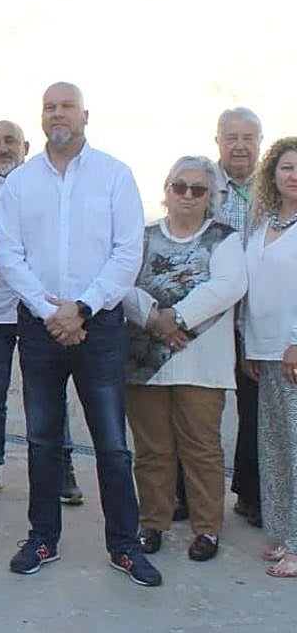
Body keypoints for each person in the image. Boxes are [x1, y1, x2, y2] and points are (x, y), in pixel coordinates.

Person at [0, 82, 161, 587]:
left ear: (85, 115)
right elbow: (8, 254)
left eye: (66, 106)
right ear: (41, 118)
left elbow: (127, 252)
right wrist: (50, 311)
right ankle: (42, 537)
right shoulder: (21, 183)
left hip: (101, 326)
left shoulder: (114, 176)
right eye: (49, 107)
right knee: (43, 439)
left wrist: (82, 308)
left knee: (112, 443)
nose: (57, 114)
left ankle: (125, 546)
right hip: (42, 325)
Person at [122, 156, 246, 562]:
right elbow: (122, 283)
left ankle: (206, 528)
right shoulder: (140, 237)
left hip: (201, 364)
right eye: (181, 187)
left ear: (210, 197)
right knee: (152, 448)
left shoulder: (225, 239)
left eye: (198, 189)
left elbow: (229, 285)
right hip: (145, 361)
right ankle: (152, 523)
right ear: (167, 190)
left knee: (201, 448)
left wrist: (177, 318)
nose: (188, 196)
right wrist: (153, 318)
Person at [0, 121, 85, 504]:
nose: (3, 149)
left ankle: (62, 469)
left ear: (26, 145)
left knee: (49, 393)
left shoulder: (46, 185)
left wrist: (5, 233)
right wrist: (11, 233)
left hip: (42, 309)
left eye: (10, 142)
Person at [241, 136, 297, 578]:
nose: (293, 175)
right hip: (264, 349)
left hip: (293, 350)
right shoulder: (262, 222)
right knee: (275, 449)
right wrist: (249, 345)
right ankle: (282, 535)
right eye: (285, 167)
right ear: (272, 174)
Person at [216, 107, 266, 529]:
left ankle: (251, 494)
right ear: (218, 142)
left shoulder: (272, 191)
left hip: (254, 321)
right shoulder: (200, 184)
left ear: (259, 143)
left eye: (248, 137)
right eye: (231, 137)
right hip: (209, 320)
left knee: (254, 411)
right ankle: (184, 494)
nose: (239, 146)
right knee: (197, 408)